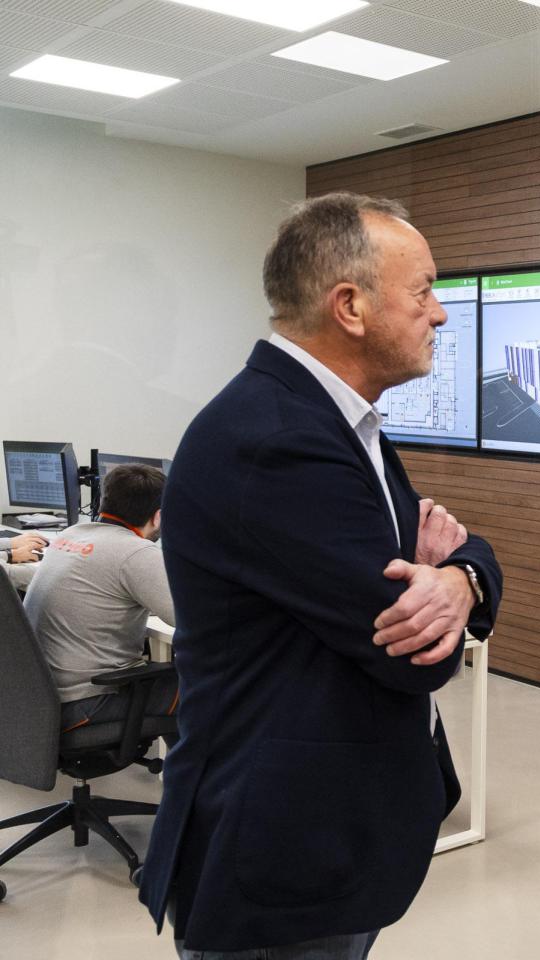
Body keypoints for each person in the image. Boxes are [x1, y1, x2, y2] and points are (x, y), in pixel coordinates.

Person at [138, 192, 503, 959]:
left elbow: (447, 557)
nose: (439, 314)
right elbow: (412, 656)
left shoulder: (334, 422)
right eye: (425, 290)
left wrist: (463, 578)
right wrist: (445, 582)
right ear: (350, 306)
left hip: (320, 832)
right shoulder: (276, 441)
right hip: (281, 853)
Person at [22, 463, 178, 732]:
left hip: (38, 701)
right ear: (159, 517)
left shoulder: (69, 535)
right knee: (206, 688)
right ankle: (194, 774)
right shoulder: (135, 552)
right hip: (87, 704)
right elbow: (189, 617)